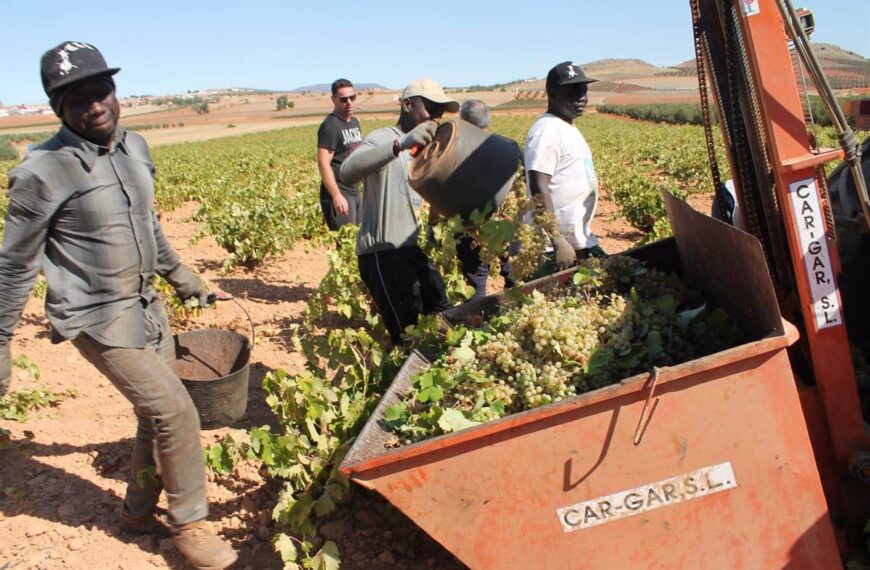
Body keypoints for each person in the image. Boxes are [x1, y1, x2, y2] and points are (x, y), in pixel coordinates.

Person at [0, 42, 236, 570]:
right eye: (75, 98)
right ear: (57, 108)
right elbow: (15, 264)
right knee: (175, 409)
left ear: (115, 90)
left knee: (153, 418)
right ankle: (190, 525)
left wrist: (185, 279)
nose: (94, 104)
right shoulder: (43, 172)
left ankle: (134, 512)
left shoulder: (135, 148)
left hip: (145, 307)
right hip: (96, 319)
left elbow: (151, 226)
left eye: (100, 89)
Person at [340, 78, 456, 343]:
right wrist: (400, 144)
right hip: (382, 256)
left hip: (410, 250)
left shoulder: (425, 149)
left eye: (441, 110)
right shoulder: (384, 138)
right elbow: (347, 172)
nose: (436, 115)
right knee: (406, 334)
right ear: (406, 105)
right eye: (430, 107)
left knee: (443, 310)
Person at [524, 61, 605, 277]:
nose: (582, 97)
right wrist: (557, 239)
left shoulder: (565, 126)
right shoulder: (546, 131)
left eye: (584, 90)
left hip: (577, 240)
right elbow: (538, 185)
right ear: (551, 93)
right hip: (554, 250)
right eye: (572, 91)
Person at [454, 99, 493, 299]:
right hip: (506, 226)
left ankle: (478, 324)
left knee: (476, 279)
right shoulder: (508, 147)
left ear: (465, 123)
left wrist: (432, 223)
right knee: (514, 275)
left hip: (470, 229)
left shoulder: (457, 152)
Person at [317, 78, 363, 231]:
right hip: (341, 193)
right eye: (343, 99)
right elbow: (323, 163)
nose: (349, 102)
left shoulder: (354, 122)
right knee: (345, 244)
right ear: (334, 99)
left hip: (354, 191)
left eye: (352, 97)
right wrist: (336, 196)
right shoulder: (330, 126)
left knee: (359, 242)